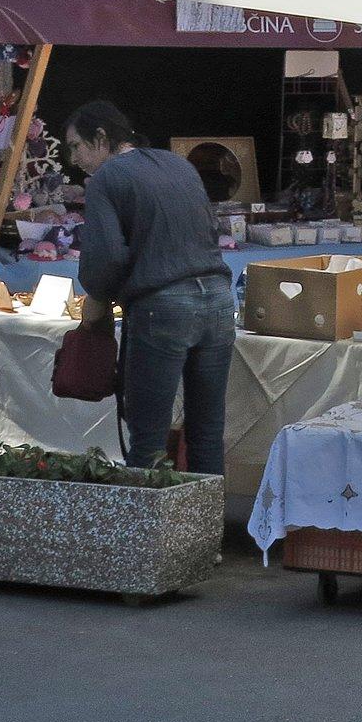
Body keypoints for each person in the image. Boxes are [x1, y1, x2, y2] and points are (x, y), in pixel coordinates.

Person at [68, 101, 235, 474]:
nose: (74, 158)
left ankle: (145, 532)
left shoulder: (106, 181)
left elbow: (106, 256)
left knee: (148, 439)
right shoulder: (177, 164)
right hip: (219, 303)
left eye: (76, 146)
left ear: (101, 138)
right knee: (206, 431)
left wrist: (94, 303)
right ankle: (204, 527)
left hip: (163, 307)